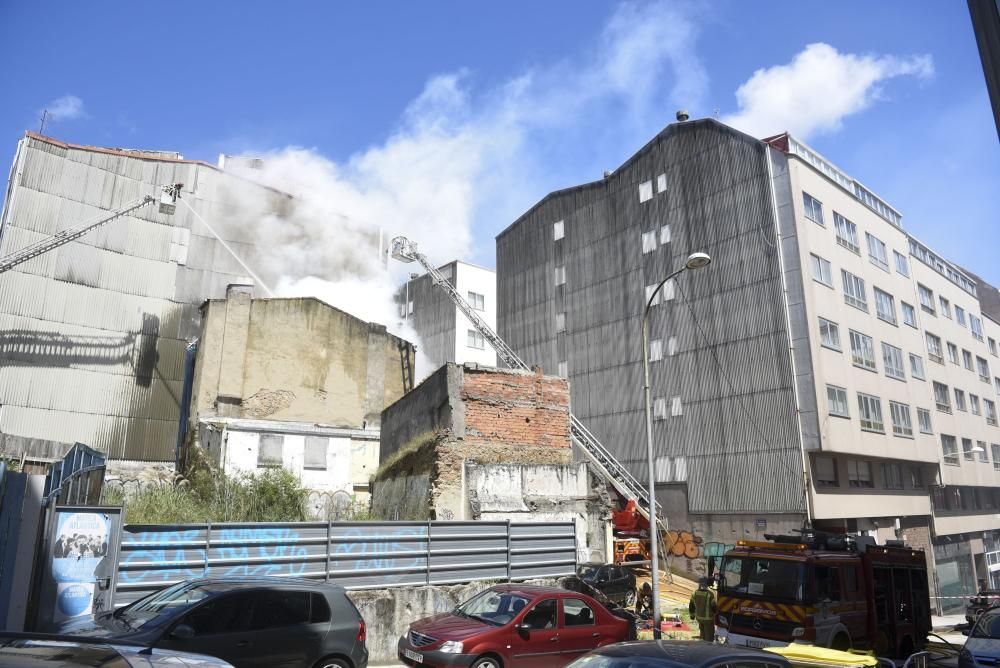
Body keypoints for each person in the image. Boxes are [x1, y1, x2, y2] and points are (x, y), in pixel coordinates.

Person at [689, 577, 717, 642]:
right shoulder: (710, 594)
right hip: (708, 619)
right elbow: (714, 607)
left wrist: (692, 616)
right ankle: (707, 649)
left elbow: (691, 606)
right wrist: (715, 613)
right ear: (707, 584)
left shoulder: (695, 593)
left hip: (699, 618)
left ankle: (702, 646)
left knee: (702, 635)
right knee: (709, 637)